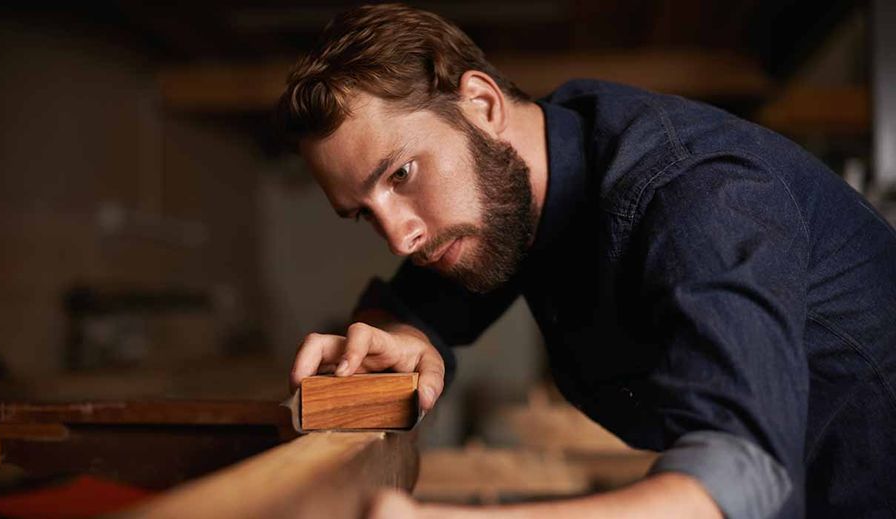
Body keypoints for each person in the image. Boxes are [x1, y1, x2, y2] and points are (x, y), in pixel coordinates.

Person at [278, 4, 896, 518]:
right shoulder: (518, 180)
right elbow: (415, 307)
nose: (398, 237)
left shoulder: (699, 197)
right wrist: (404, 336)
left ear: (483, 105)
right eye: (363, 212)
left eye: (402, 174)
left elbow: (737, 480)